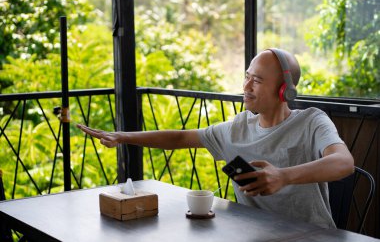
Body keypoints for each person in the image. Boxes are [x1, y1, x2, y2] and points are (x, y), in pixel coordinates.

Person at [77, 48, 354, 228]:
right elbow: (180, 138)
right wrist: (122, 136)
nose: (245, 87)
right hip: (256, 235)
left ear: (285, 92)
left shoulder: (312, 121)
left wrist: (283, 176)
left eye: (256, 80)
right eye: (246, 77)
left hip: (313, 237)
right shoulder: (236, 129)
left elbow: (343, 162)